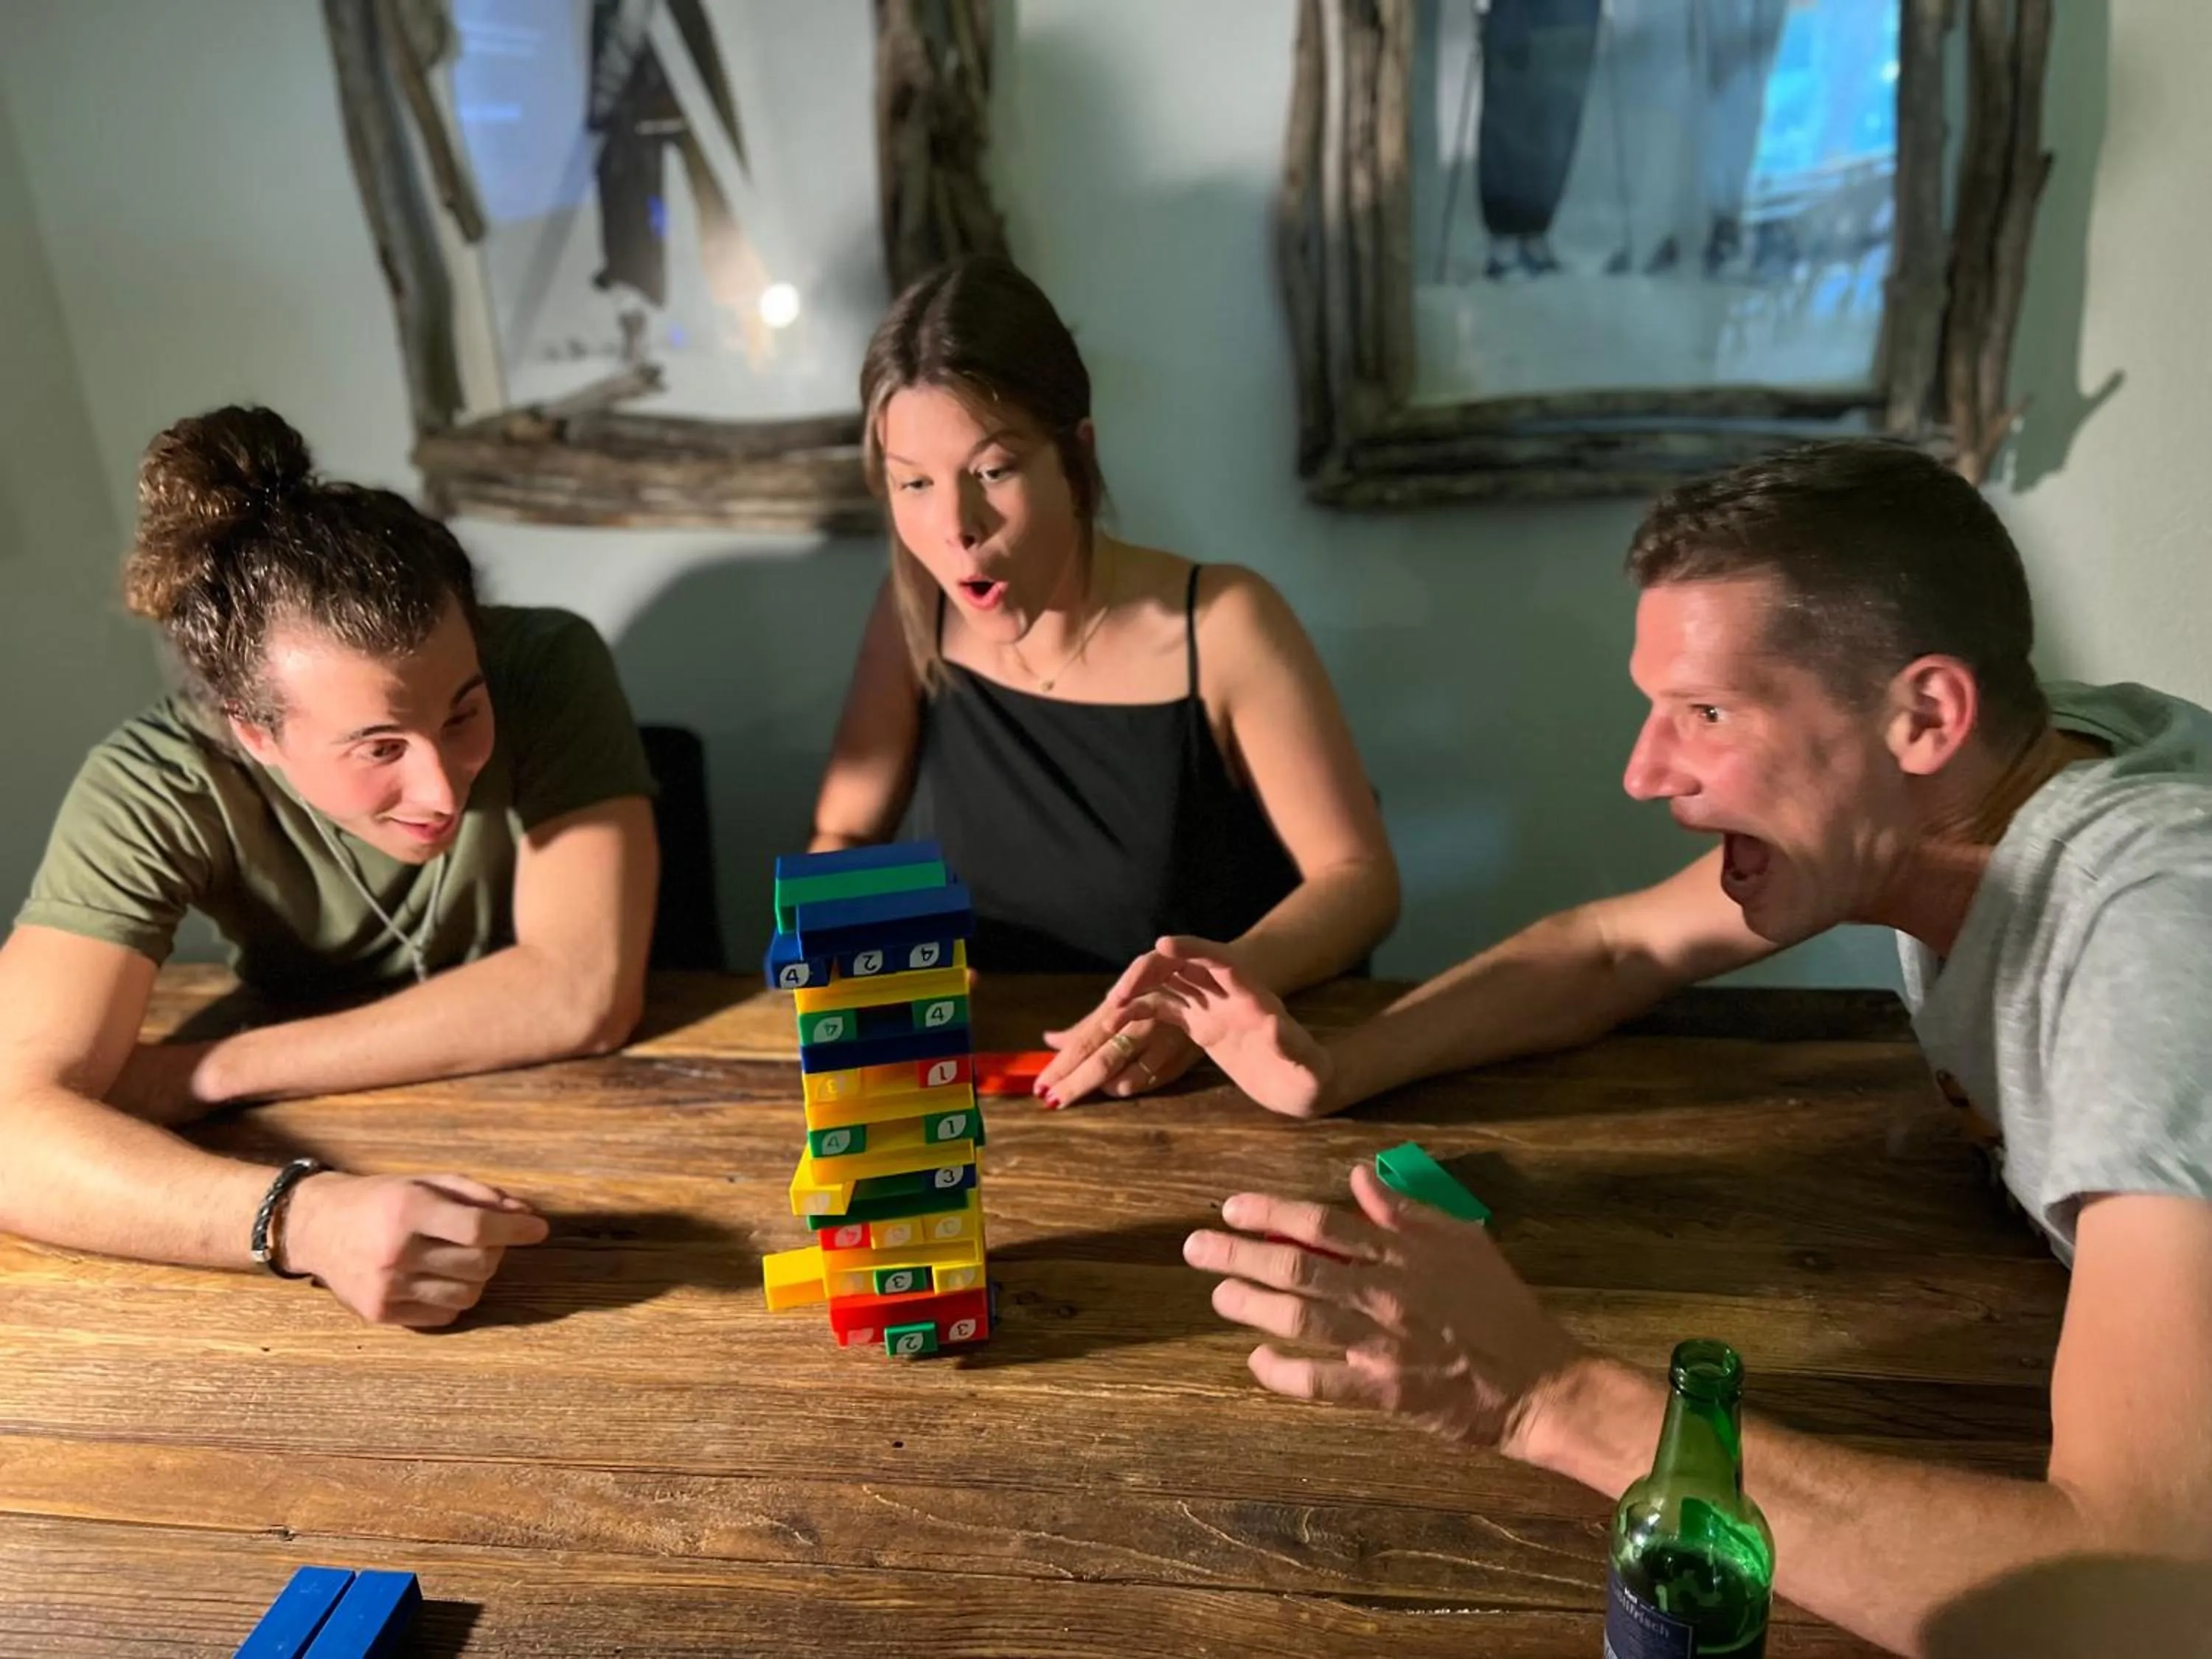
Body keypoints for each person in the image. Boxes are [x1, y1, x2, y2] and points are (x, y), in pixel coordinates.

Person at [1108, 440, 2212, 1652]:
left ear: (1926, 716)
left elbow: (2146, 1599)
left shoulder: (2157, 942)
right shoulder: (2029, 759)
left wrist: (1550, 1397)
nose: (1644, 771)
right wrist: (1332, 1068)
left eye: (1707, 713)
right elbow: (1612, 948)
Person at [0, 406, 662, 1328]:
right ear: (255, 732)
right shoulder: (152, 785)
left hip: (604, 1132)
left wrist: (204, 1073)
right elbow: (10, 1133)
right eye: (379, 746)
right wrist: (302, 1220)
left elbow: (581, 994)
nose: (441, 786)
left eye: (463, 713)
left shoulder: (548, 664)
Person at [808, 255, 1398, 1107]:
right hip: (996, 1090)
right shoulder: (912, 616)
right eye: (914, 484)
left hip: (1202, 1093)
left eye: (993, 471)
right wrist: (877, 962)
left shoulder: (1222, 622)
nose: (954, 531)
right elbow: (843, 835)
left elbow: (1360, 880)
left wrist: (1201, 997)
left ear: (1076, 461)